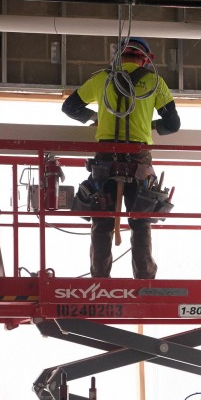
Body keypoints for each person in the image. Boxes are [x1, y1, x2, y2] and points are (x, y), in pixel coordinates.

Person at [61, 37, 181, 279]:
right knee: (141, 221)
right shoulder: (154, 82)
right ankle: (145, 279)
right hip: (139, 160)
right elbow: (173, 124)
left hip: (106, 159)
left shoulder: (101, 79)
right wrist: (149, 122)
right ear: (146, 59)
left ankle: (100, 279)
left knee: (102, 221)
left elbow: (70, 107)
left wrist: (95, 118)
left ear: (118, 57)